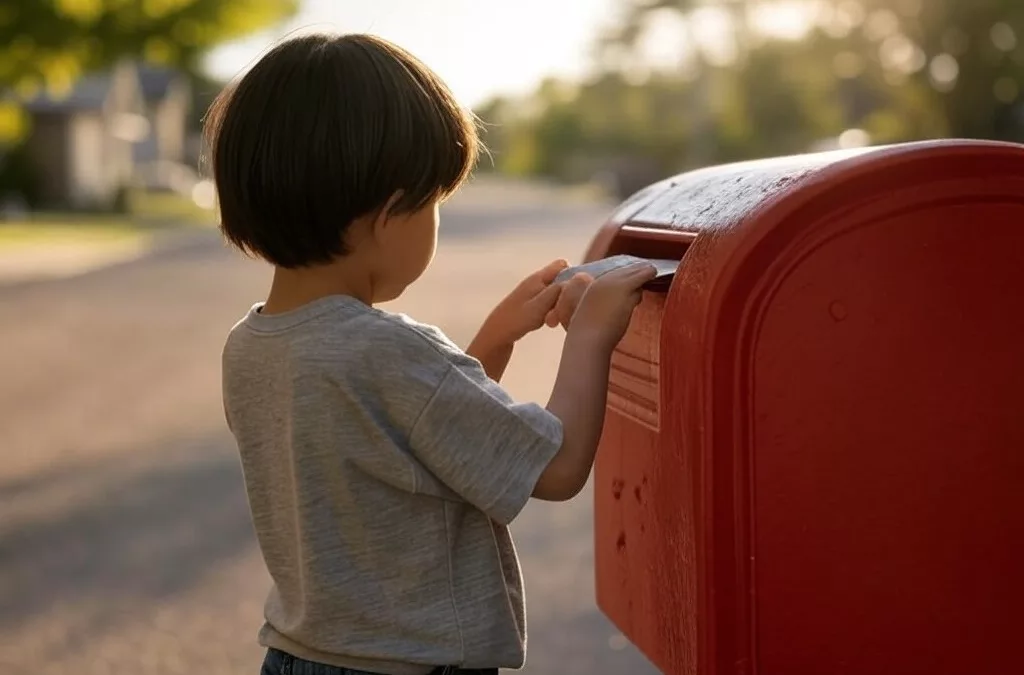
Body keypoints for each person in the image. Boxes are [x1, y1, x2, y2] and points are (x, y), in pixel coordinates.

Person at [209, 32, 656, 675]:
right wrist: (592, 338)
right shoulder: (386, 350)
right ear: (390, 214)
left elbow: (421, 438)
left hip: (301, 656)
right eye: (435, 202)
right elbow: (553, 470)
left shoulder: (252, 344)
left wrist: (494, 340)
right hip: (413, 664)